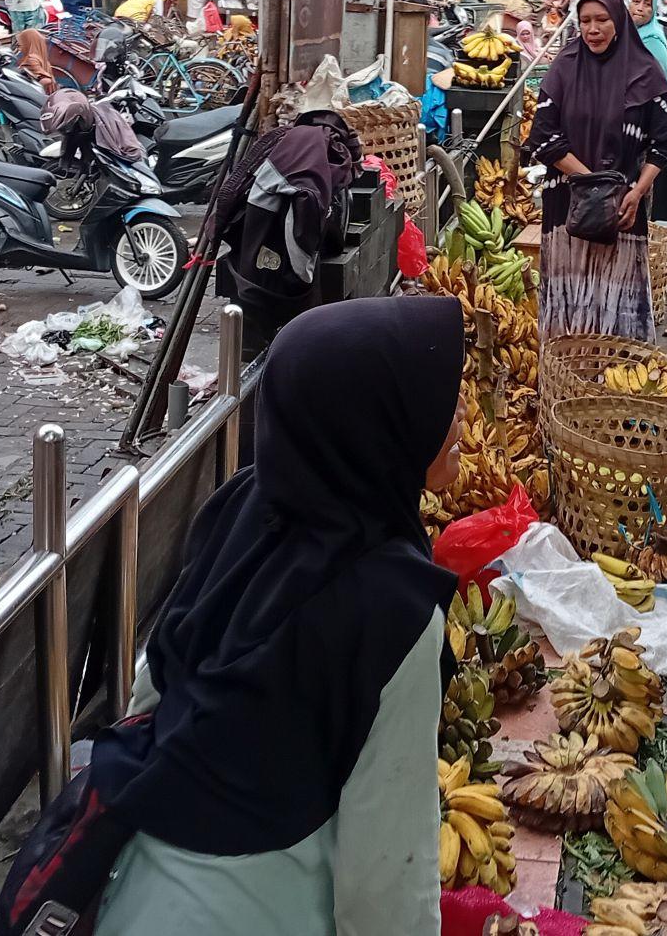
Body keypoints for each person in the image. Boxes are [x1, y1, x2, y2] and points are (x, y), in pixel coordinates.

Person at [90, 296, 463, 936]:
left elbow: (153, 684)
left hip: (131, 887)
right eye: (439, 400)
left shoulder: (251, 505)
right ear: (380, 426)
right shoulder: (393, 611)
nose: (459, 419)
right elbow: (387, 888)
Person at [527, 0, 667, 339]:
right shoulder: (564, 68)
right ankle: (568, 381)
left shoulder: (645, 72)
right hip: (568, 209)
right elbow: (543, 138)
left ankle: (616, 384)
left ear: (619, 22)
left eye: (601, 20)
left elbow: (665, 140)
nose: (592, 29)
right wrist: (592, 183)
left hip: (623, 211)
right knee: (569, 317)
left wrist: (637, 191)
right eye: (585, 21)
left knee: (617, 314)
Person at [626, 0, 667, 82]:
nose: (640, 8)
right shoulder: (628, 33)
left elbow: (658, 82)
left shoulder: (652, 40)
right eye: (636, 1)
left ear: (653, 10)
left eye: (647, 4)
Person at [17, 22, 57, 93]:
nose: (19, 49)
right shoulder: (41, 57)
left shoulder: (31, 60)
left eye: (21, 44)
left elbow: (46, 80)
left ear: (28, 43)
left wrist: (31, 89)